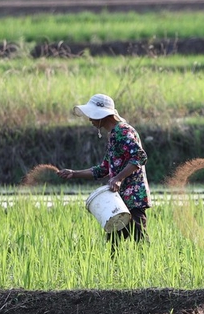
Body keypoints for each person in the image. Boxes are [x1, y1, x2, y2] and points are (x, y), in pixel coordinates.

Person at [58, 93, 150, 250]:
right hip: (119, 201)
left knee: (139, 241)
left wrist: (119, 178)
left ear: (102, 115)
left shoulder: (122, 131)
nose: (90, 119)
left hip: (132, 198)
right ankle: (113, 273)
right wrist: (74, 173)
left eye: (92, 115)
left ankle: (149, 271)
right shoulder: (114, 135)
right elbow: (103, 169)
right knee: (113, 243)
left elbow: (140, 157)